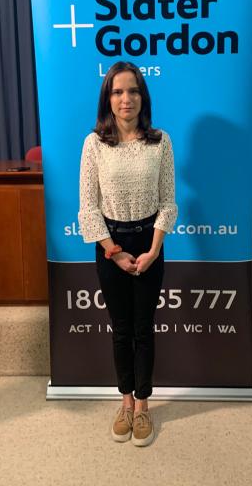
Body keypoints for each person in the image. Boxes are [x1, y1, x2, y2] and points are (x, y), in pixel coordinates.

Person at [78, 61, 178, 447]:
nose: (126, 99)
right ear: (108, 98)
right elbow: (88, 207)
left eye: (133, 91)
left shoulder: (160, 141)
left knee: (143, 328)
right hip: (111, 248)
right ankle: (123, 401)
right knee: (121, 329)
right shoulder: (94, 144)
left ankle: (143, 406)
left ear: (142, 96)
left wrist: (154, 249)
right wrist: (114, 252)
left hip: (150, 245)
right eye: (118, 92)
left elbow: (168, 202)